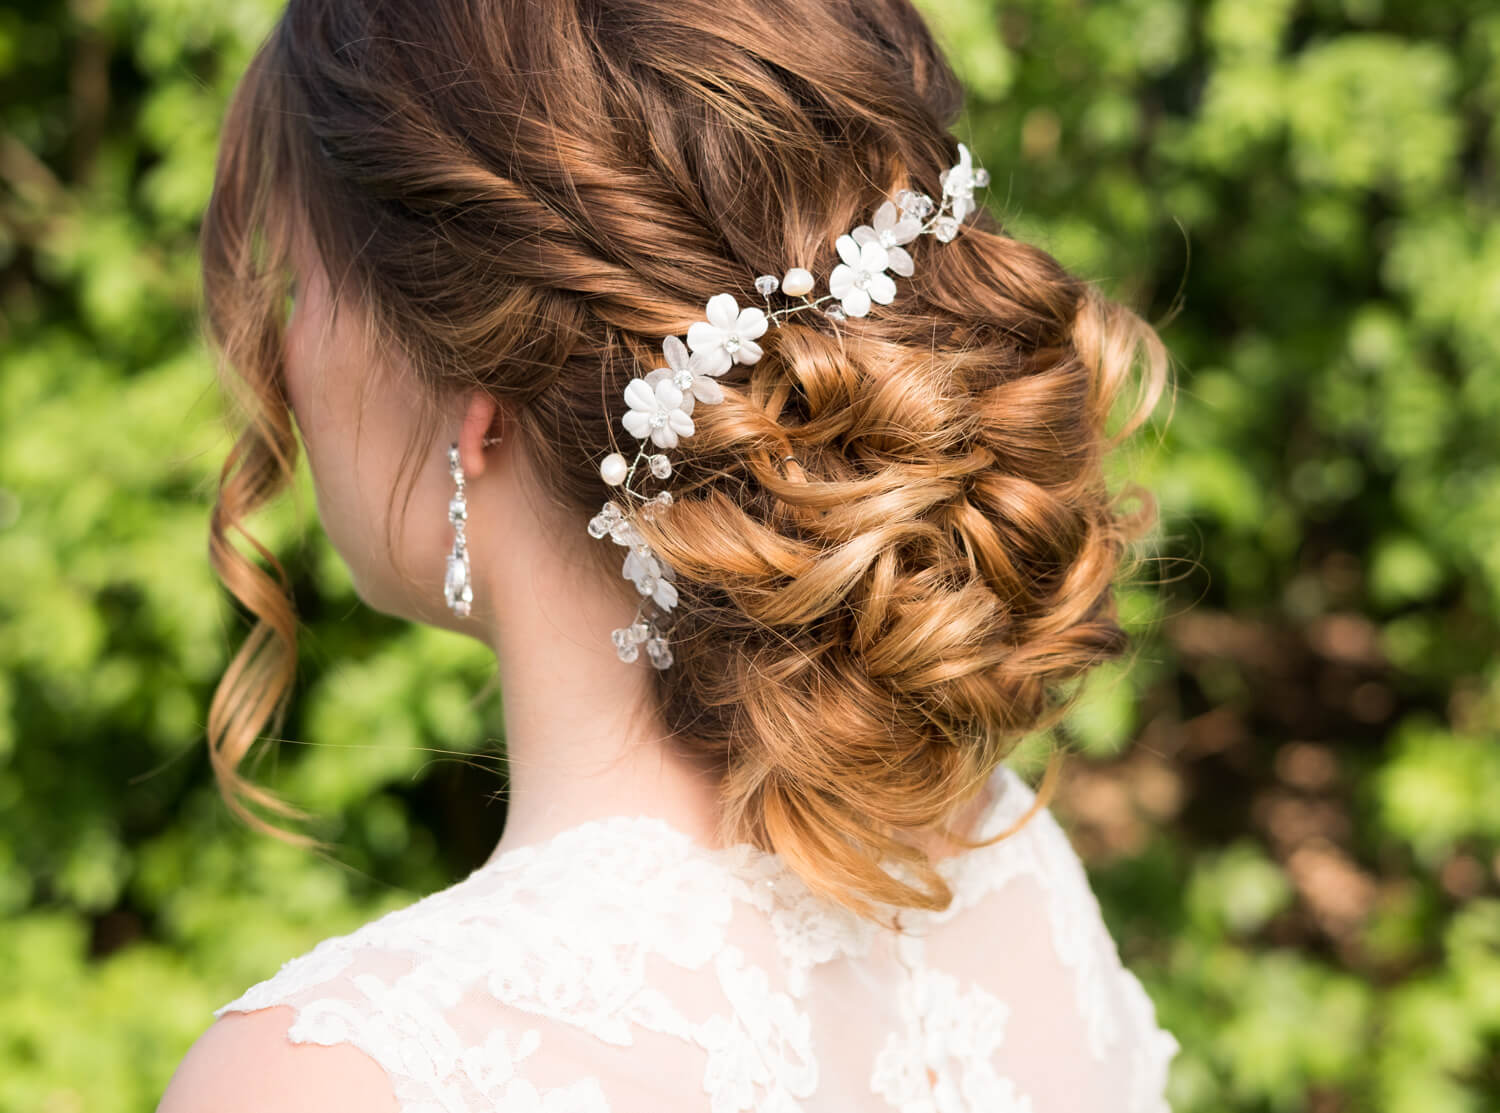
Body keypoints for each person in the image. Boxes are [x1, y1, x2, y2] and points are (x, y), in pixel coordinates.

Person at [159, 0, 1180, 1109]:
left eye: (303, 288)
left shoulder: (340, 1073)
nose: (282, 355)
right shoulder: (1002, 871)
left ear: (471, 405)